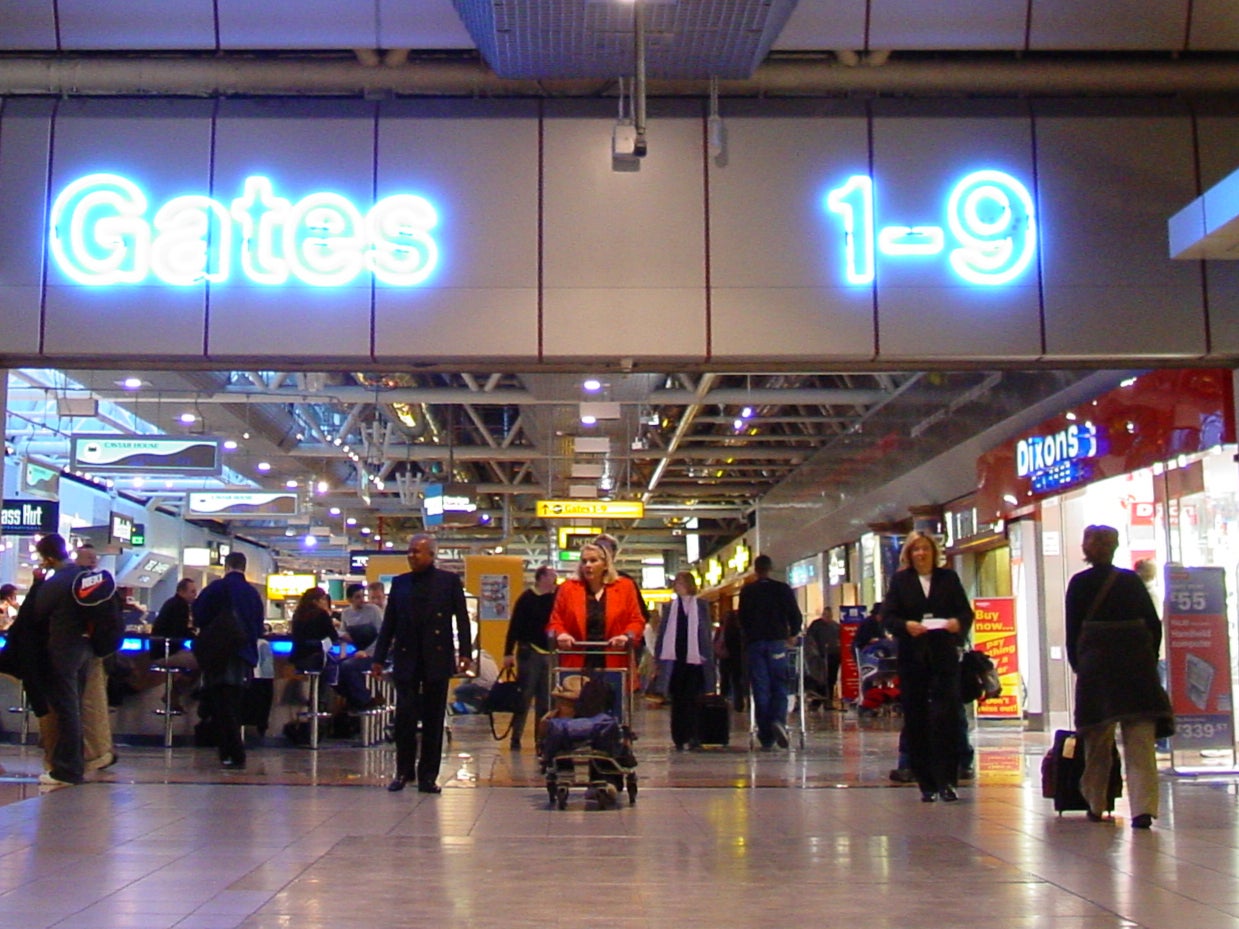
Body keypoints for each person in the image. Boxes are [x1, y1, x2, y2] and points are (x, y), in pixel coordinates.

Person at [1066, 525, 1173, 829]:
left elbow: (1073, 632)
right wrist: (1148, 660)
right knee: (1140, 740)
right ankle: (1143, 809)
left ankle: (1096, 802)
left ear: (1086, 549)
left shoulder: (1079, 584)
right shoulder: (1131, 581)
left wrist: (1081, 665)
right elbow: (1154, 626)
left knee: (1097, 738)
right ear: (1115, 547)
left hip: (1097, 670)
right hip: (1136, 670)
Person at [372, 533, 472, 794]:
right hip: (407, 657)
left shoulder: (448, 582)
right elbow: (389, 624)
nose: (411, 555)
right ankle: (403, 772)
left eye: (417, 551)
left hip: (436, 658)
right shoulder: (400, 583)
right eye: (409, 551)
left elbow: (461, 618)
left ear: (431, 554)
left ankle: (428, 775)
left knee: (433, 719)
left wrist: (466, 653)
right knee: (404, 717)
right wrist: (379, 658)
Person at [881, 532, 973, 803]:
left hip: (942, 656)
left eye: (925, 549)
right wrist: (906, 626)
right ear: (909, 555)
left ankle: (948, 780)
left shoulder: (948, 579)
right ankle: (926, 782)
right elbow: (888, 617)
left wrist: (957, 624)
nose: (921, 554)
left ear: (934, 553)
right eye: (916, 550)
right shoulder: (901, 582)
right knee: (917, 718)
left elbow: (965, 612)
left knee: (947, 718)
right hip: (913, 658)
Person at [192, 551, 264, 771]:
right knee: (234, 702)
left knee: (221, 703)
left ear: (226, 566)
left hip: (217, 653)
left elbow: (199, 615)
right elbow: (258, 626)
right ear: (244, 566)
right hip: (242, 653)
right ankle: (232, 751)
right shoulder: (252, 594)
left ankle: (232, 751)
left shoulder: (214, 589)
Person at [30, 533, 92, 786]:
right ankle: (77, 764)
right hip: (85, 647)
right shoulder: (83, 577)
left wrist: (39, 583)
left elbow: (38, 612)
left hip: (63, 649)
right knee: (75, 706)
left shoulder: (57, 581)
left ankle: (67, 769)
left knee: (67, 709)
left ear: (48, 557)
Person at [547, 541, 645, 675]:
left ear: (605, 565)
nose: (588, 565)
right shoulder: (567, 588)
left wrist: (625, 636)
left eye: (593, 561)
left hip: (615, 661)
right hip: (576, 661)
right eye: (584, 561)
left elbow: (637, 620)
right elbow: (555, 621)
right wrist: (562, 634)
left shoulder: (625, 587)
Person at [737, 554, 803, 751]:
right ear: (770, 568)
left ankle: (765, 735)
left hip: (756, 644)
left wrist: (748, 639)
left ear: (756, 570)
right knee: (779, 684)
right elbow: (794, 614)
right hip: (777, 642)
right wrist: (792, 633)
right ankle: (778, 721)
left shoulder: (748, 591)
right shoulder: (782, 589)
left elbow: (743, 619)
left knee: (761, 687)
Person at [654, 571, 716, 750]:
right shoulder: (669, 608)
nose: (677, 586)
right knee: (678, 700)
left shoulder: (702, 606)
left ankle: (695, 735)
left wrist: (708, 659)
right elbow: (663, 634)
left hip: (695, 660)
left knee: (695, 699)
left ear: (689, 584)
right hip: (675, 661)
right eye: (676, 583)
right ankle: (679, 737)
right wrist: (658, 659)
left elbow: (705, 634)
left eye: (680, 582)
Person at [291, 587, 377, 713]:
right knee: (340, 670)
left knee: (336, 669)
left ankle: (318, 702)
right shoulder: (322, 614)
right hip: (317, 659)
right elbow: (333, 636)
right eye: (324, 599)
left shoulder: (298, 614)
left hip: (299, 660)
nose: (326, 602)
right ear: (316, 601)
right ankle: (360, 700)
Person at [502, 564, 557, 751]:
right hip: (528, 652)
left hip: (548, 653)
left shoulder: (555, 599)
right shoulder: (527, 599)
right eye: (551, 576)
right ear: (541, 577)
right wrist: (508, 653)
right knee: (524, 696)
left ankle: (540, 739)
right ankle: (515, 737)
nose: (555, 579)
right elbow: (514, 626)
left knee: (545, 699)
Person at [149, 577, 200, 713]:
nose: (195, 595)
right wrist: (197, 636)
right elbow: (180, 632)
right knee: (203, 662)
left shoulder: (171, 603)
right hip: (165, 653)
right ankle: (175, 694)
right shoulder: (180, 606)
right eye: (192, 592)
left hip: (160, 651)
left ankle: (176, 690)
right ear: (182, 592)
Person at [804, 606, 841, 707]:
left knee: (831, 679)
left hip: (833, 655)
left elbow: (840, 639)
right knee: (819, 679)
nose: (827, 617)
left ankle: (828, 700)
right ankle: (817, 701)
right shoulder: (816, 625)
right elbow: (810, 639)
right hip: (819, 657)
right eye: (825, 615)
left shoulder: (836, 626)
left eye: (829, 616)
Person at [716, 607, 747, 712]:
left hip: (725, 658)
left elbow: (716, 643)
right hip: (738, 659)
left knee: (725, 680)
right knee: (737, 681)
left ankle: (723, 701)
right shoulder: (740, 630)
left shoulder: (722, 630)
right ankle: (739, 703)